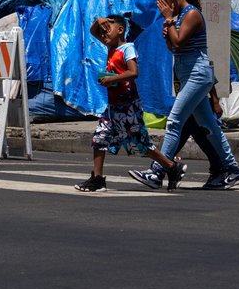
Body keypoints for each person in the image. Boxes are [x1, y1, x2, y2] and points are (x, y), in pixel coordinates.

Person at [128, 0, 239, 190]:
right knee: (209, 126)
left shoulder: (191, 14)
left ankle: (157, 171)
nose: (161, 8)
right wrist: (168, 29)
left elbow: (180, 41)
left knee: (174, 122)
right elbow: (175, 48)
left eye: (163, 3)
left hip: (197, 74)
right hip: (188, 73)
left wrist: (169, 20)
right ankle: (232, 169)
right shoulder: (179, 17)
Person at [75, 15, 185, 192]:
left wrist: (114, 79)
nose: (103, 34)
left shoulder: (128, 48)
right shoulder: (111, 47)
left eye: (107, 29)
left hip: (128, 106)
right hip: (112, 108)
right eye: (102, 32)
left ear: (120, 30)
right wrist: (100, 21)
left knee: (141, 144)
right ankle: (97, 178)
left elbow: (134, 72)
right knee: (99, 138)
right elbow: (93, 31)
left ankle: (171, 167)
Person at [144, 85, 239, 189]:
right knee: (194, 127)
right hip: (193, 88)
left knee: (182, 125)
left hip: (196, 87)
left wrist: (215, 100)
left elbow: (206, 73)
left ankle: (160, 169)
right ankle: (222, 169)